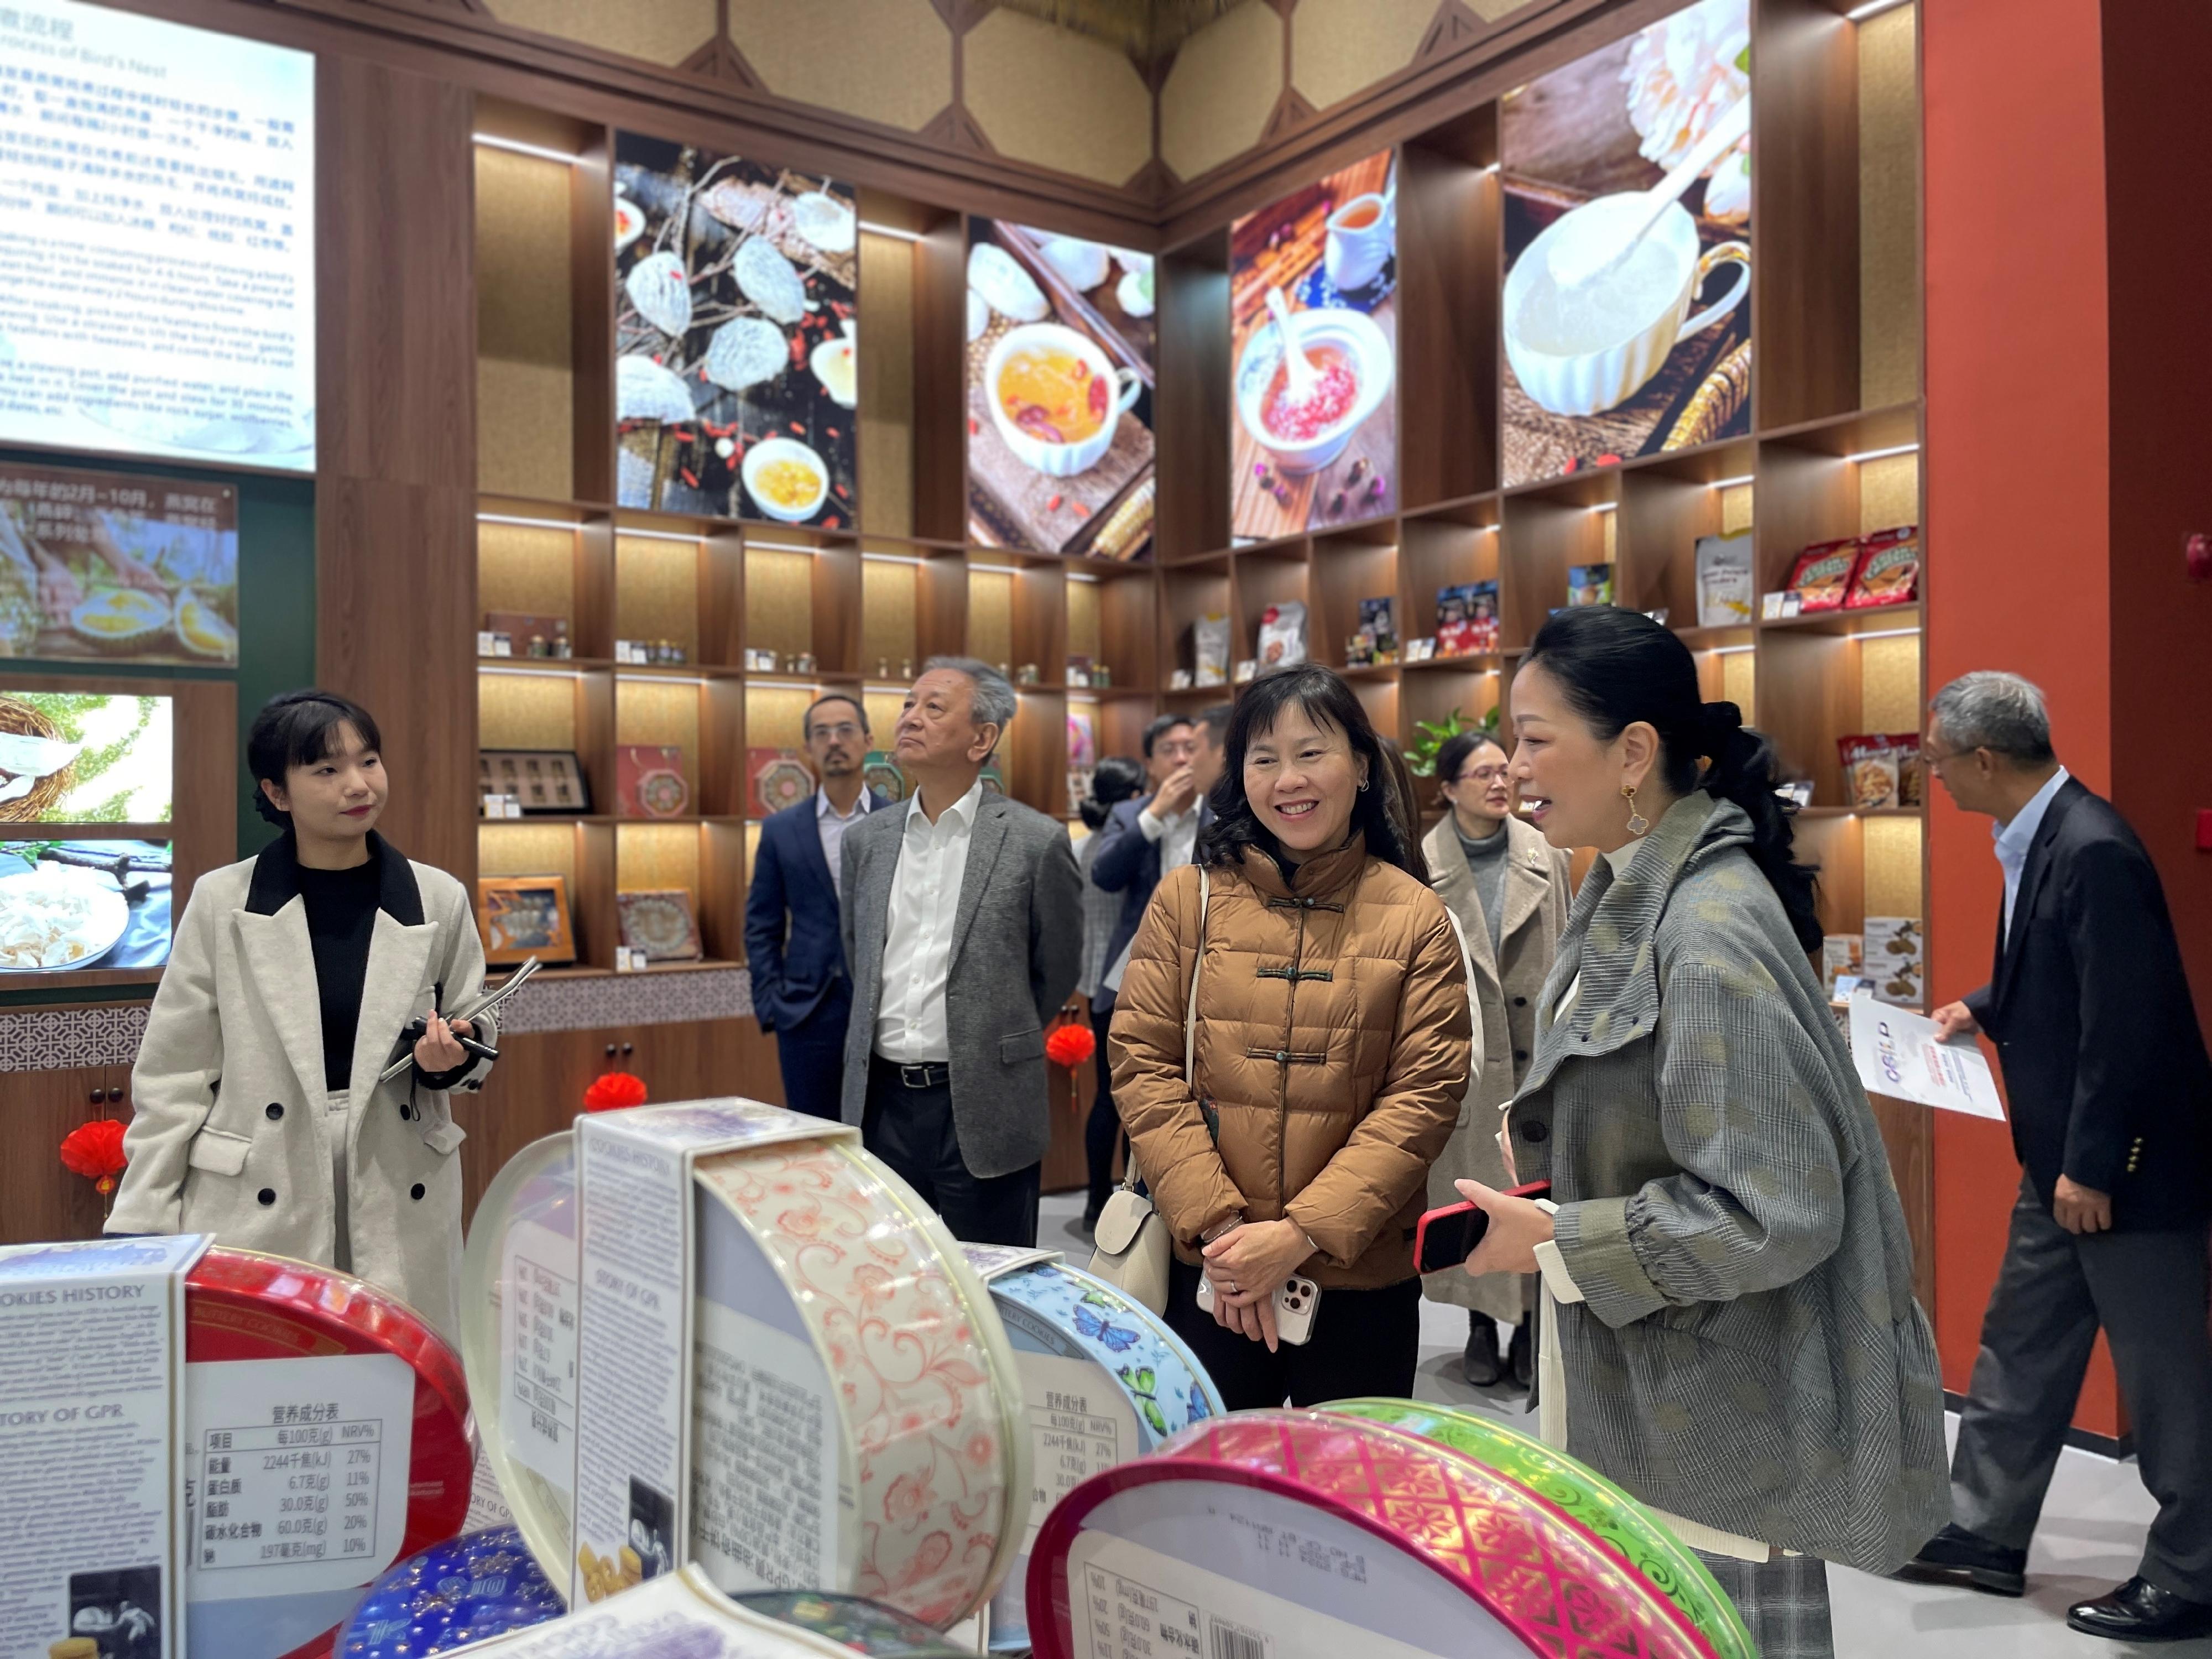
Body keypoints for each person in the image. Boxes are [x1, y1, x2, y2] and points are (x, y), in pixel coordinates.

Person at [1456, 608, 1946, 1658]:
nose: (1513, 765)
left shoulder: (1707, 925)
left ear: (1634, 752)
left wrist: (1555, 1241)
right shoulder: (1634, 886)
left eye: (1538, 737)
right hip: (1661, 1390)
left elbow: (1777, 1212)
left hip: (1718, 1419)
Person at [1903, 671, 2212, 1641]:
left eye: (1939, 758)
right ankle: (1982, 1531)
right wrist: (1982, 1006)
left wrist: (2094, 1167)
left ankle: (2194, 1573)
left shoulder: (2094, 847)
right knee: (2021, 1345)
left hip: (2125, 1171)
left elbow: (2131, 1024)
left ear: (1985, 759)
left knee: (2164, 1381)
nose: (1934, 775)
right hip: (2065, 1164)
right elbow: (2066, 970)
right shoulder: (2045, 833)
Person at [1111, 665, 1471, 1408]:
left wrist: (1299, 1235)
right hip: (1212, 1274)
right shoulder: (1188, 898)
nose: (1288, 779)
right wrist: (1227, 1236)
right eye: (1263, 757)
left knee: (1347, 1504)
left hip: (1358, 1282)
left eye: (1312, 752)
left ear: (1362, 766)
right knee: (1212, 1495)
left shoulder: (1415, 915)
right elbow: (1143, 1063)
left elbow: (1424, 1098)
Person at [109, 691, 494, 1341]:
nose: (357, 785)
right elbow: (175, 1073)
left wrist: (449, 1057)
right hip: (263, 1174)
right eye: (326, 770)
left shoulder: (436, 897)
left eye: (368, 762)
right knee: (268, 1373)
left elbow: (473, 1023)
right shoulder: (222, 899)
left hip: (398, 1174)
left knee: (400, 1373)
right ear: (277, 793)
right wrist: (143, 1218)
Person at [839, 658, 1084, 1245]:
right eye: (907, 704)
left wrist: (996, 1033)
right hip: (882, 1104)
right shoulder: (866, 841)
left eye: (933, 707)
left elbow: (1056, 971)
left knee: (996, 1287)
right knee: (896, 1280)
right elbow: (860, 958)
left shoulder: (1034, 841)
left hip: (985, 1100)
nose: (910, 719)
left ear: (982, 738)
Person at [1420, 728, 1571, 1390]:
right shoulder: (1421, 865)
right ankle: (1481, 1328)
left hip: (1537, 1058)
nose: (1499, 783)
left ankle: (1530, 1331)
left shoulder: (1546, 851)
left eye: (1502, 771)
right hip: (1468, 1068)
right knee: (1476, 1195)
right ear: (1449, 788)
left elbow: (1568, 947)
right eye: (1480, 774)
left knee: (1537, 1194)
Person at [744, 693, 888, 1119]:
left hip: (886, 1009)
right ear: (808, 748)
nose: (834, 741)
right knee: (815, 1138)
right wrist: (771, 1004)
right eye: (821, 733)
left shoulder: (900, 822)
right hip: (807, 1013)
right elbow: (761, 925)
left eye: (845, 729)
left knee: (886, 1140)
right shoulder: (780, 830)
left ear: (867, 740)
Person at [1089, 705, 1230, 1016]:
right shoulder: (1129, 814)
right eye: (1169, 750)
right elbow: (1105, 876)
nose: (1182, 759)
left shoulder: (1224, 813)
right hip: (1137, 966)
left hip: (1209, 967)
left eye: (1190, 748)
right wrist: (1153, 817)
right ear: (1150, 765)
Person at [1076, 754, 1148, 1230]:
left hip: (1091, 979)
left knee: (1106, 1094)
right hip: (1126, 977)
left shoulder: (1080, 846)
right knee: (1133, 1097)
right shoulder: (1132, 846)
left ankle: (1094, 1198)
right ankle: (1126, 1199)